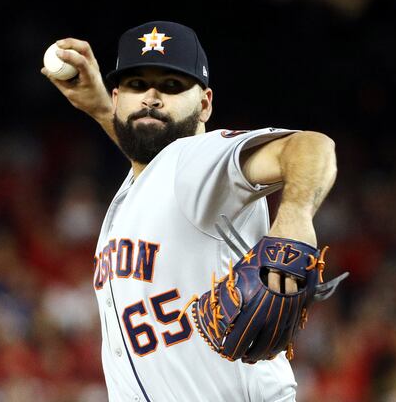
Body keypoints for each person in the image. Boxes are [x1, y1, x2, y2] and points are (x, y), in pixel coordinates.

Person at [42, 21, 338, 402]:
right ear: (117, 97)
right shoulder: (147, 186)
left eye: (171, 86)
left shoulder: (199, 159)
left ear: (204, 104)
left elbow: (311, 147)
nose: (150, 97)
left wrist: (294, 219)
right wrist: (102, 111)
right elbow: (155, 170)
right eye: (136, 85)